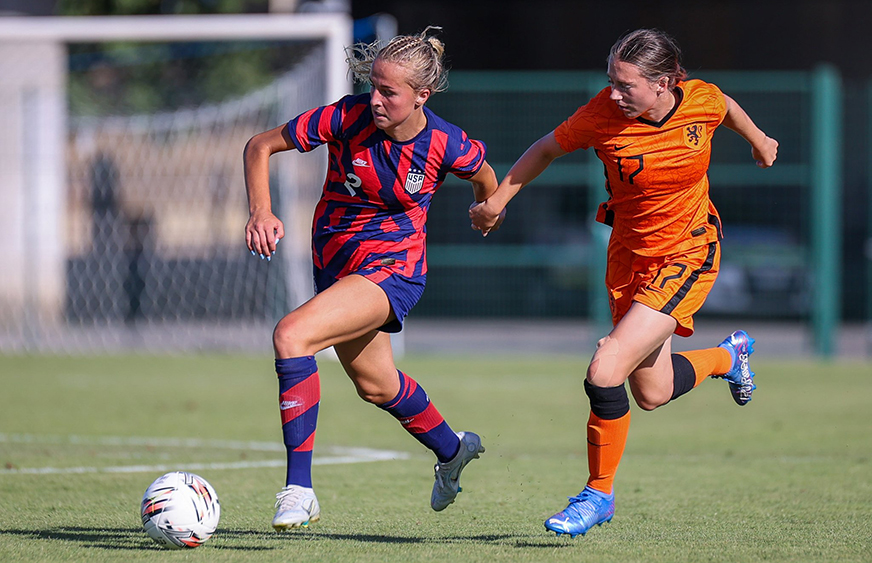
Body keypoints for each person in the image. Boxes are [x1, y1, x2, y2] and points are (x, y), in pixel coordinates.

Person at [469, 28, 778, 538]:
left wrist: (760, 140)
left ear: (664, 83)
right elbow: (545, 148)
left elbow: (724, 106)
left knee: (606, 366)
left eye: (625, 84)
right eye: (611, 81)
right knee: (651, 391)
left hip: (688, 252)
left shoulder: (698, 98)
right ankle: (730, 356)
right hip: (629, 258)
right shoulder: (602, 115)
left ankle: (598, 495)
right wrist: (497, 201)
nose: (614, 93)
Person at [244, 28, 497, 530]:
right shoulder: (345, 116)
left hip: (393, 269)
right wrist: (261, 211)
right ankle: (453, 450)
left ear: (422, 95)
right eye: (374, 85)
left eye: (389, 92)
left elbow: (485, 177)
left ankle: (300, 490)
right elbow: (259, 145)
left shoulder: (444, 143)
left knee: (291, 336)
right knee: (377, 386)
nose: (376, 99)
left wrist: (487, 212)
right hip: (336, 263)